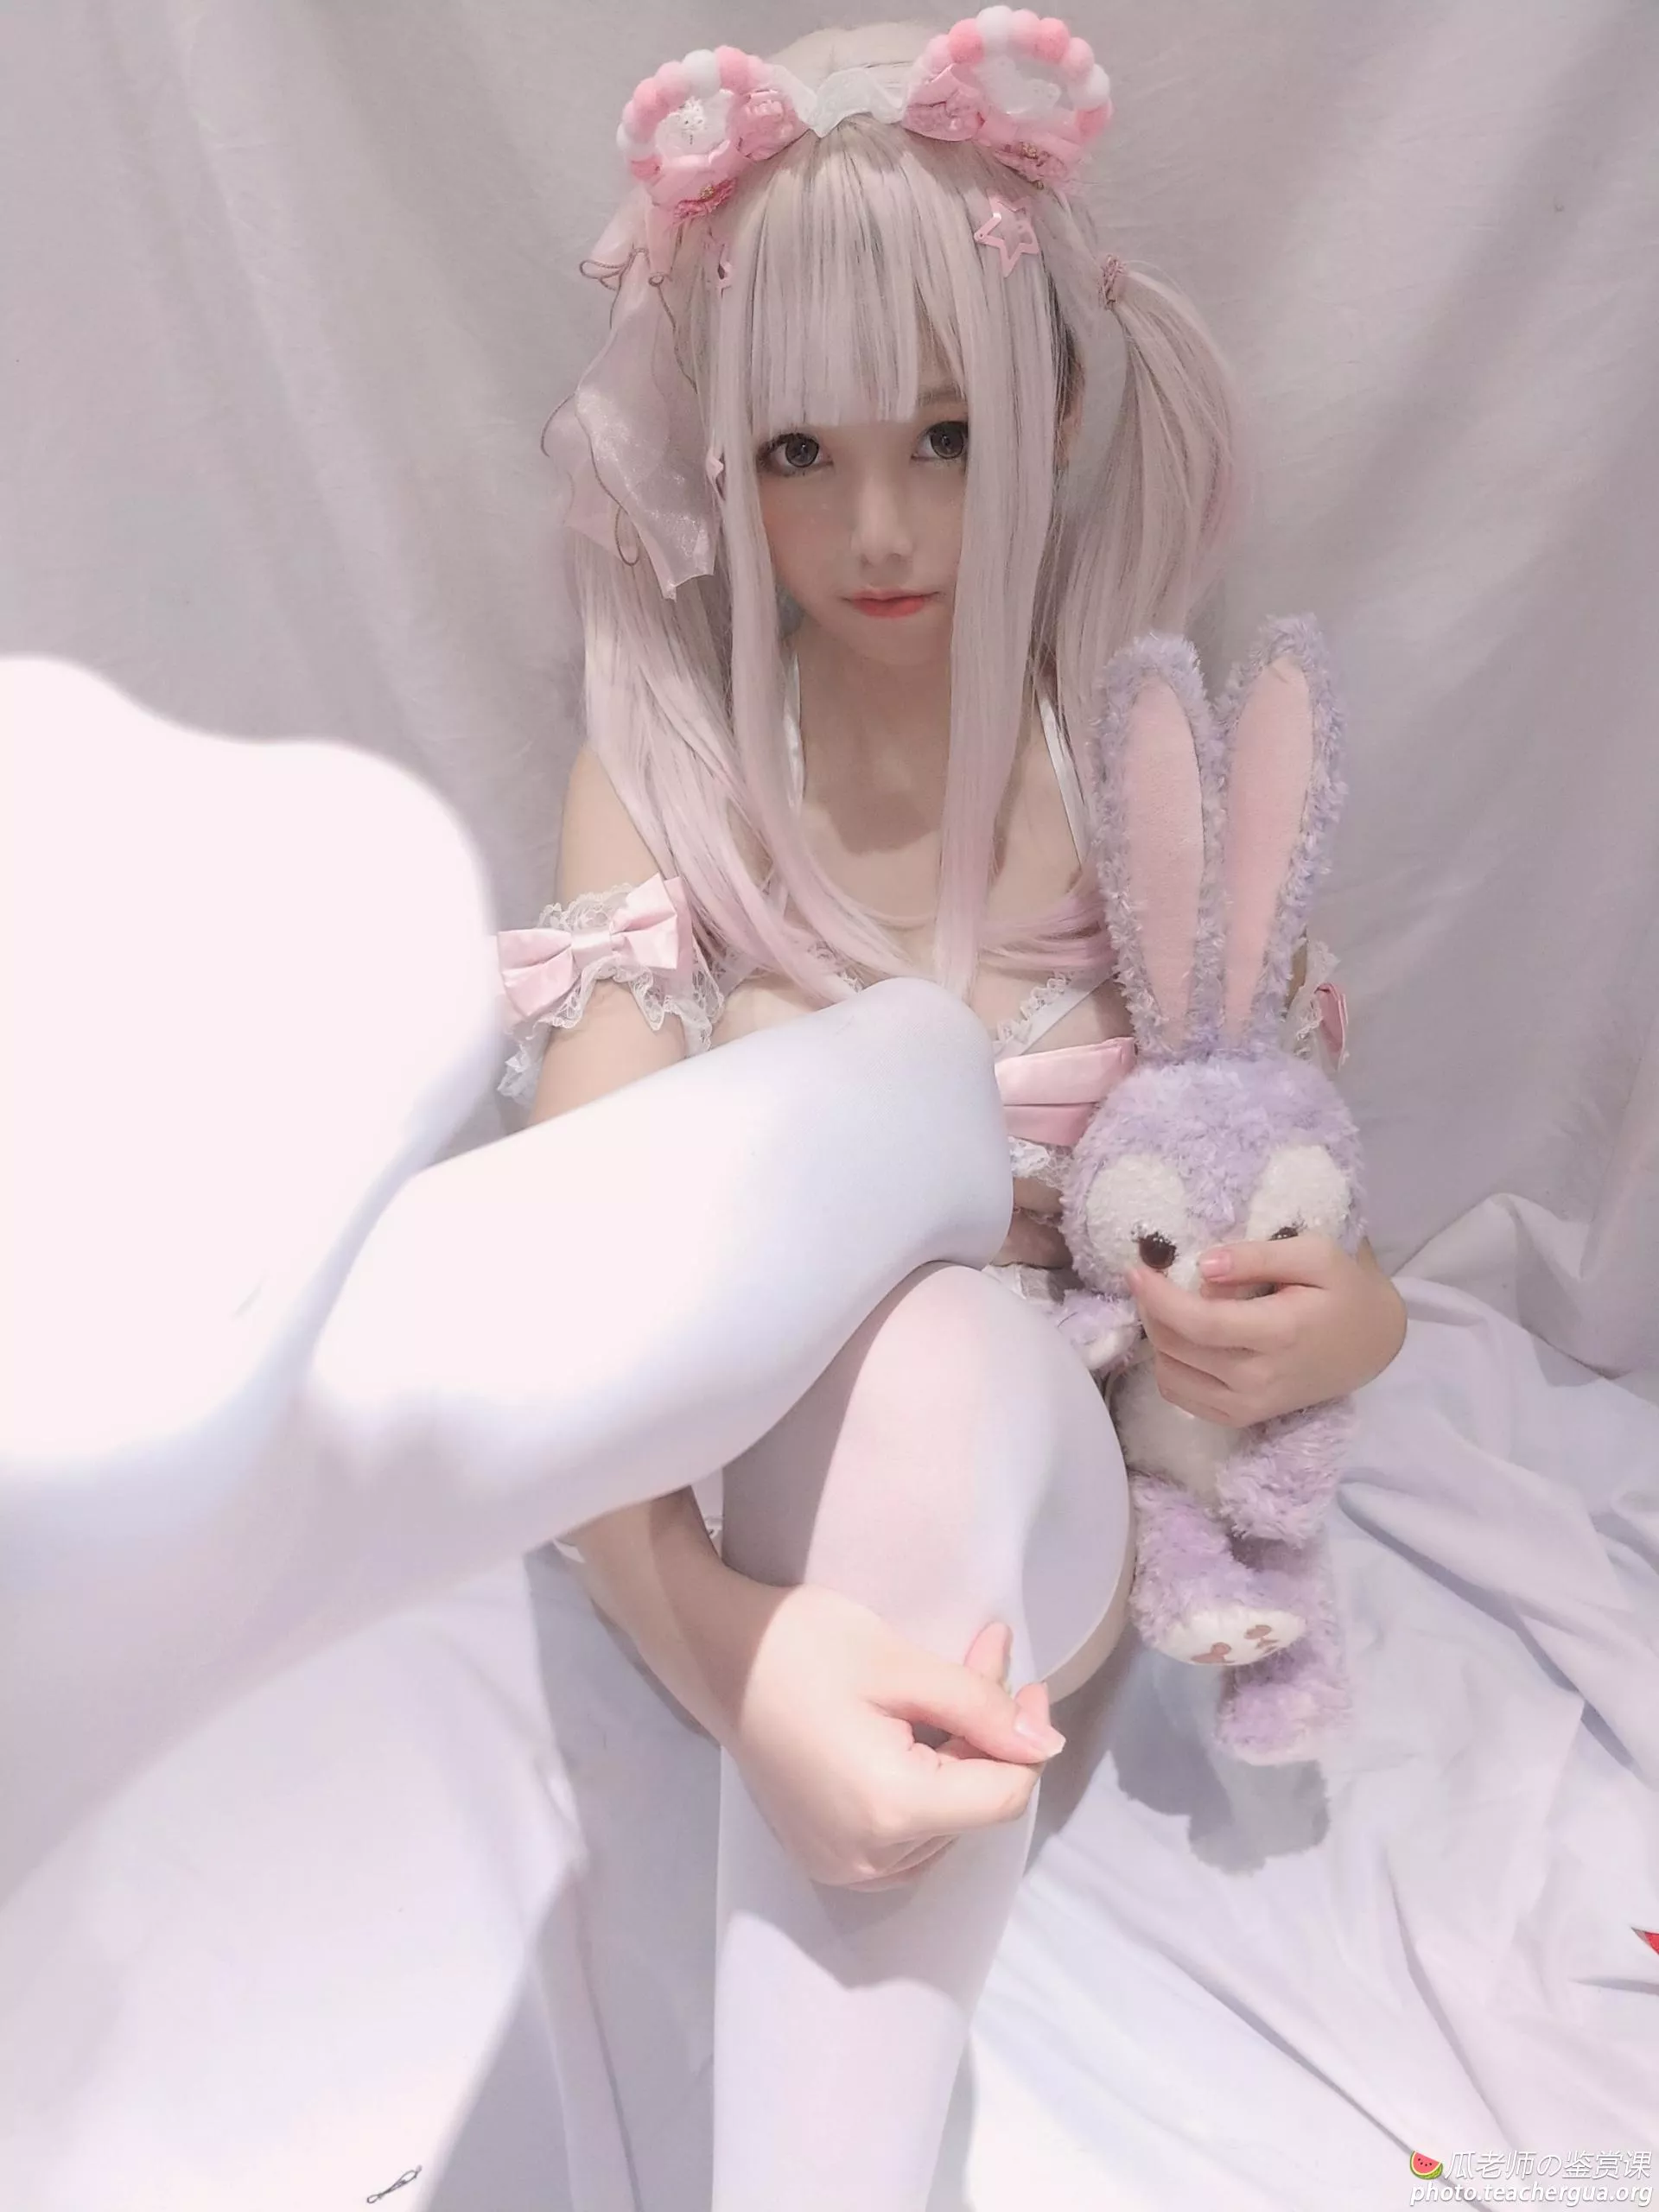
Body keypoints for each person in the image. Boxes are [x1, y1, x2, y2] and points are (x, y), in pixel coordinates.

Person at [498, 16, 1408, 2207]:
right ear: (718, 459)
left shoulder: (1138, 775)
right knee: (860, 1185)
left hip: (1029, 1513)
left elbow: (1295, 1188)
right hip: (716, 1536)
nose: (884, 523)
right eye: (800, 453)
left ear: (1056, 414)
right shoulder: (670, 782)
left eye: (946, 433)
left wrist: (1334, 1321)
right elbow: (569, 1317)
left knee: (938, 1342)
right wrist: (736, 1650)